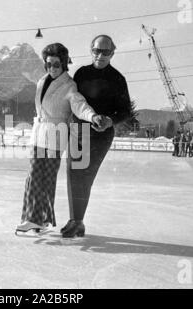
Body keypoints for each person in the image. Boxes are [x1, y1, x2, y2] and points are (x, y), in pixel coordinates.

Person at [16, 43, 103, 233]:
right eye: (49, 64)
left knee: (45, 179)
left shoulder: (69, 85)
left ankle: (37, 220)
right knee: (33, 177)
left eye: (56, 64)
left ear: (64, 64)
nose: (52, 68)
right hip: (38, 134)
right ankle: (38, 220)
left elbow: (79, 104)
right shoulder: (41, 81)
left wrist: (93, 116)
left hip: (55, 136)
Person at [62, 35, 134, 238]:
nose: (100, 55)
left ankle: (79, 220)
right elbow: (74, 102)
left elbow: (125, 111)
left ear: (113, 52)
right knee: (73, 174)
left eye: (106, 52)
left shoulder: (118, 79)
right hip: (78, 131)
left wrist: (110, 120)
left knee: (86, 176)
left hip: (101, 136)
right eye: (97, 51)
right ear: (91, 50)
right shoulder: (82, 74)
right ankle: (74, 219)